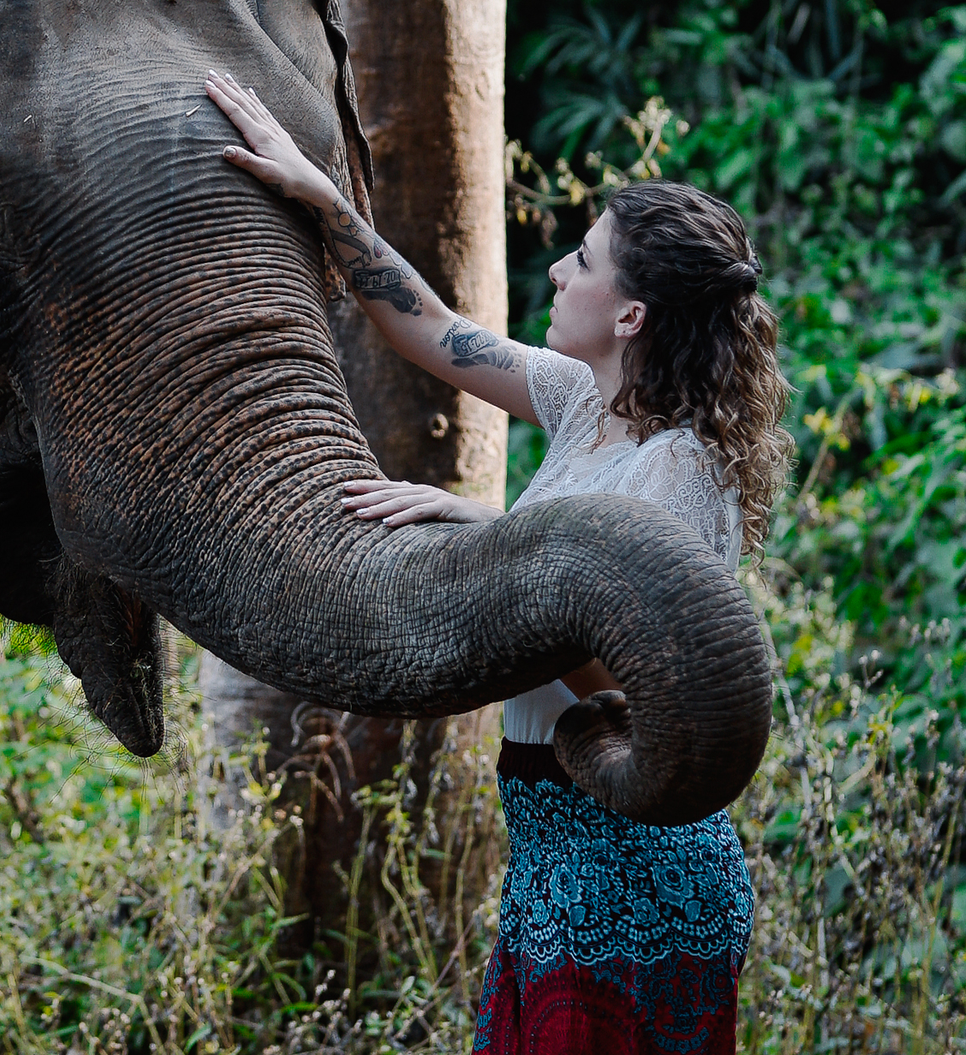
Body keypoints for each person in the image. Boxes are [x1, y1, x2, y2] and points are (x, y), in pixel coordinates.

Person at [204, 70, 793, 1053]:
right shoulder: (581, 400)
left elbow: (609, 663)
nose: (558, 272)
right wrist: (321, 201)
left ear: (631, 314)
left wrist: (482, 538)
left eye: (582, 260)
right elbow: (429, 328)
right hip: (556, 859)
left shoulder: (674, 469)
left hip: (627, 872)